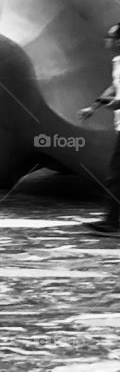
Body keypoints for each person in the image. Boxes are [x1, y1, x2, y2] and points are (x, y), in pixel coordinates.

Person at [78, 22, 120, 234]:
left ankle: (112, 222)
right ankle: (111, 221)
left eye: (109, 37)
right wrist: (94, 107)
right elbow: (114, 86)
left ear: (118, 41)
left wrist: (117, 104)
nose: (106, 40)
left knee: (116, 174)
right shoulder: (117, 61)